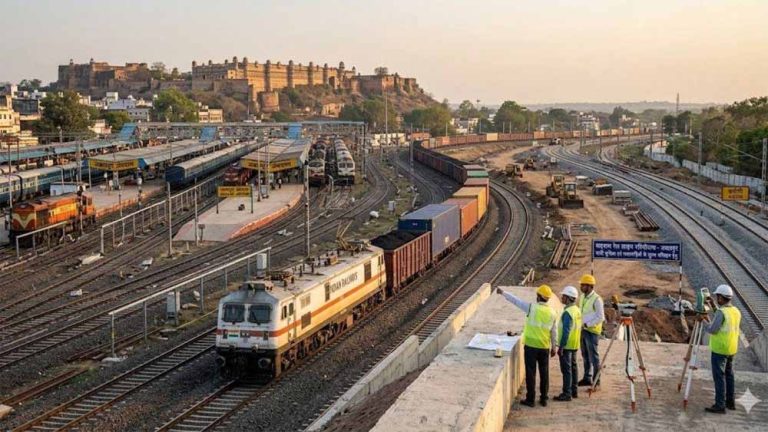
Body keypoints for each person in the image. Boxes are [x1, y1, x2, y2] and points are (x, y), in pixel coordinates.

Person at [497, 285, 557, 407]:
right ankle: (544, 398)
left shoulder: (532, 308)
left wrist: (503, 293)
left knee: (531, 373)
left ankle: (530, 399)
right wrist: (554, 347)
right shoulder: (552, 312)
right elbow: (554, 331)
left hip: (531, 346)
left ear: (539, 296)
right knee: (544, 373)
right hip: (544, 347)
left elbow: (516, 301)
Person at [701, 284, 741, 414]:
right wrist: (713, 306)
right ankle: (730, 402)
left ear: (721, 298)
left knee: (719, 377)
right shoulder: (735, 311)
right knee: (729, 375)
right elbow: (722, 318)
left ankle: (720, 405)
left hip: (720, 350)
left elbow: (713, 329)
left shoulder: (721, 312)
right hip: (731, 349)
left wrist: (702, 320)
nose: (717, 298)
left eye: (717, 296)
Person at [554, 286, 582, 401]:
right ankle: (574, 391)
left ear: (569, 298)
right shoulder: (577, 310)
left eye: (564, 296)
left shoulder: (568, 313)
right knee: (573, 368)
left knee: (566, 370)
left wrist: (561, 346)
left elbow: (566, 331)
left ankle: (567, 393)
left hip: (567, 345)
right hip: (574, 344)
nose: (562, 298)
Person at [577, 274, 604, 387]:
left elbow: (600, 317)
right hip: (583, 330)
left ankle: (596, 380)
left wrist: (588, 324)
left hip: (592, 332)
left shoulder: (597, 299)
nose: (581, 287)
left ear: (590, 286)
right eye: (581, 285)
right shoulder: (582, 297)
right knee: (585, 355)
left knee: (594, 357)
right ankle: (587, 378)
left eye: (583, 285)